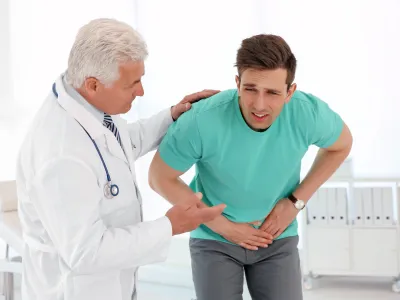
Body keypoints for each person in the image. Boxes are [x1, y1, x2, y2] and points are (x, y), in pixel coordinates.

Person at [15, 18, 226, 300]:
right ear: (93, 85)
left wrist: (172, 115)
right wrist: (169, 226)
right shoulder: (60, 155)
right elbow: (86, 252)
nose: (141, 91)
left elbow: (119, 142)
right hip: (76, 290)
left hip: (112, 283)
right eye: (132, 84)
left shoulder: (85, 100)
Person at [148, 34, 353, 300]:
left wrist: (295, 202)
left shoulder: (307, 113)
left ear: (290, 91)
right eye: (250, 89)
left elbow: (341, 145)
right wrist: (223, 226)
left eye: (272, 93)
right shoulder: (202, 119)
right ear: (237, 83)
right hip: (214, 239)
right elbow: (159, 177)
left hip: (275, 236)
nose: (259, 105)